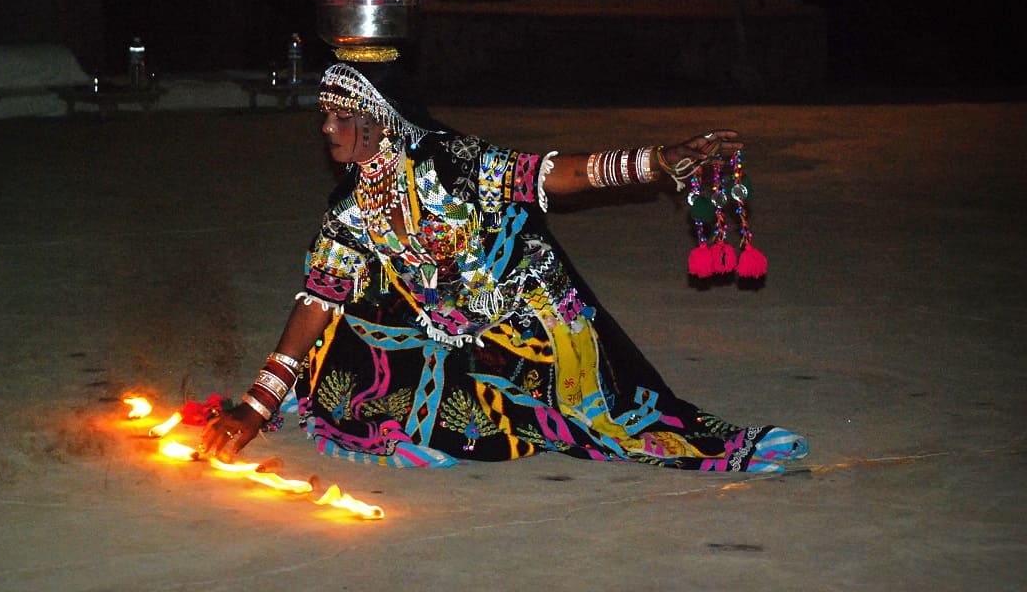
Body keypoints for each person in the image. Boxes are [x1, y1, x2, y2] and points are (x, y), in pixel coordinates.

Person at [202, 60, 808, 472]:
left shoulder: (455, 163)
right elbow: (318, 297)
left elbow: (551, 173)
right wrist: (258, 404)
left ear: (378, 120)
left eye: (340, 116)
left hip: (516, 321)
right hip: (439, 328)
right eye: (324, 117)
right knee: (347, 349)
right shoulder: (352, 207)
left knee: (546, 411)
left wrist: (653, 160)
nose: (327, 129)